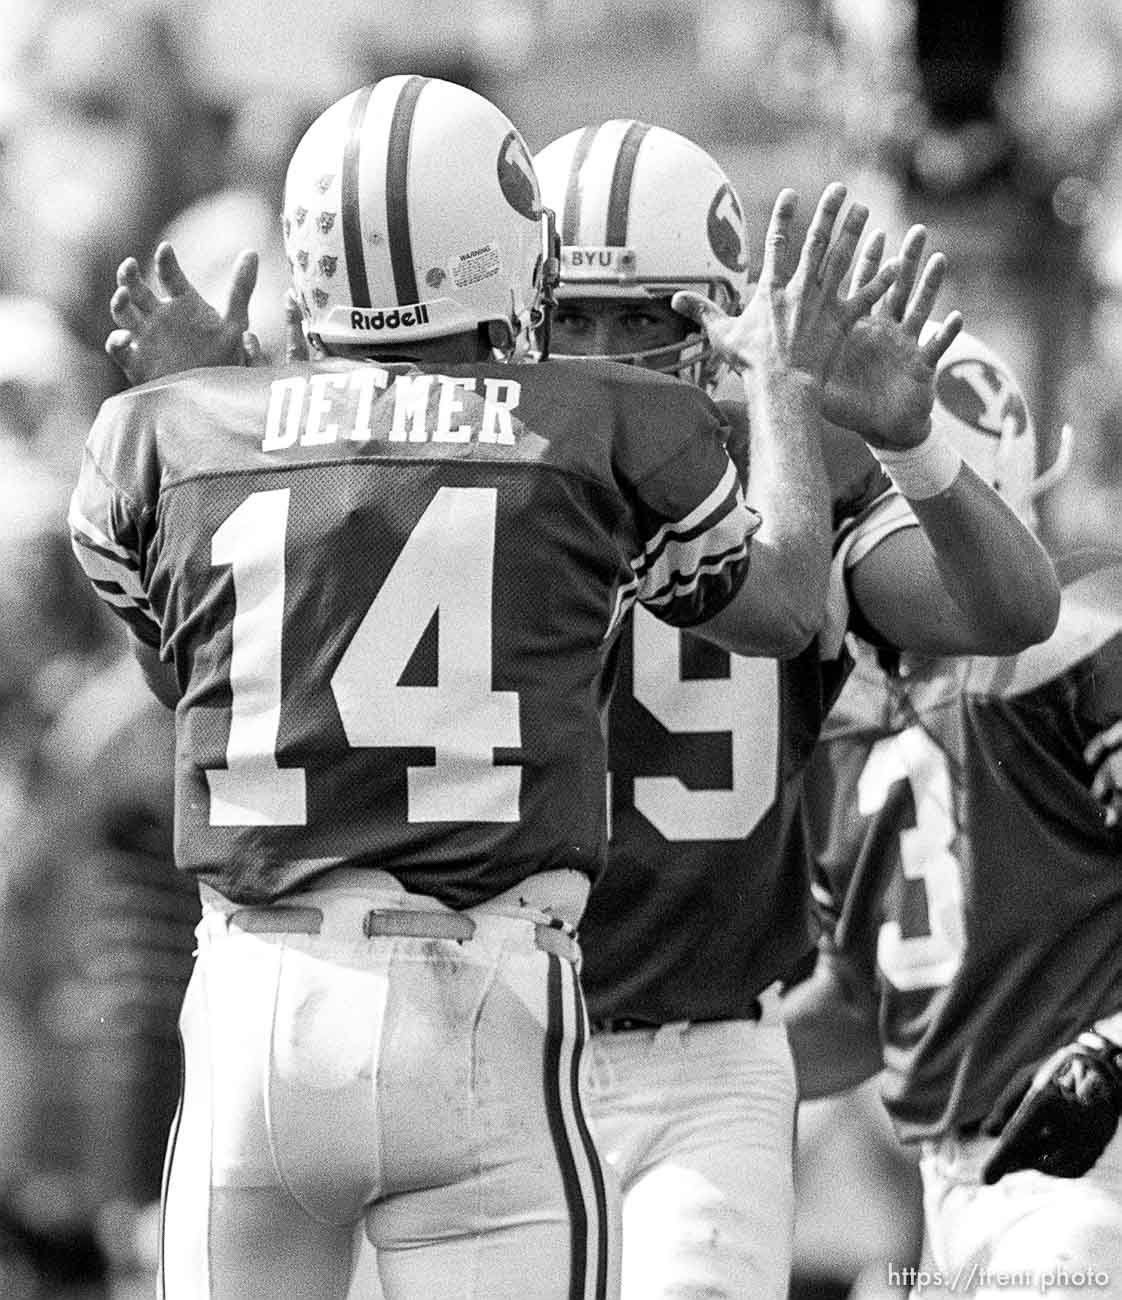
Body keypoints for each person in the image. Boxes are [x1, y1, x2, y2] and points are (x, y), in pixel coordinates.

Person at [68, 75, 901, 1300]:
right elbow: (779, 605)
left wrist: (235, 399)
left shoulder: (163, 432)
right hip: (478, 988)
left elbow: (194, 678)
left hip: (253, 994)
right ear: (504, 250)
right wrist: (779, 388)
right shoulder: (590, 430)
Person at [527, 121, 1060, 1300]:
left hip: (711, 1046)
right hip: (502, 1030)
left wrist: (912, 443)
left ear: (714, 316)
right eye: (576, 314)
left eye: (644, 317)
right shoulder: (489, 461)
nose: (607, 351)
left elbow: (1009, 609)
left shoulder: (786, 452)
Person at [783, 330, 1122, 1298]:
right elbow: (859, 1006)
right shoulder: (843, 708)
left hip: (1090, 1148)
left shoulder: (1079, 639)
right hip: (950, 1185)